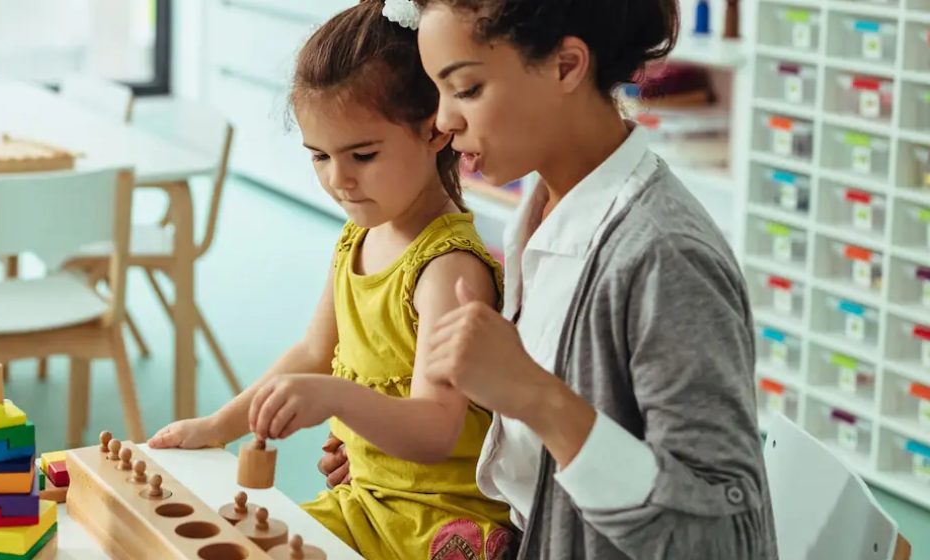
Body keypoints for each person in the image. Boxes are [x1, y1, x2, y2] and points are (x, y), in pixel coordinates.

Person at [321, 0, 779, 558]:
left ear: (566, 66)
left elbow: (723, 541)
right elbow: (536, 463)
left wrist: (534, 396)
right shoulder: (543, 215)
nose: (443, 121)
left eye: (466, 89)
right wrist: (386, 455)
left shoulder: (666, 257)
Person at [150, 1, 515, 557]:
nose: (338, 179)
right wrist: (218, 426)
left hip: (436, 522)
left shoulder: (447, 269)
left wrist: (338, 399)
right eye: (319, 156)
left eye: (362, 155)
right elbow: (312, 352)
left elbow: (435, 431)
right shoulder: (357, 239)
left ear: (434, 129)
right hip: (365, 501)